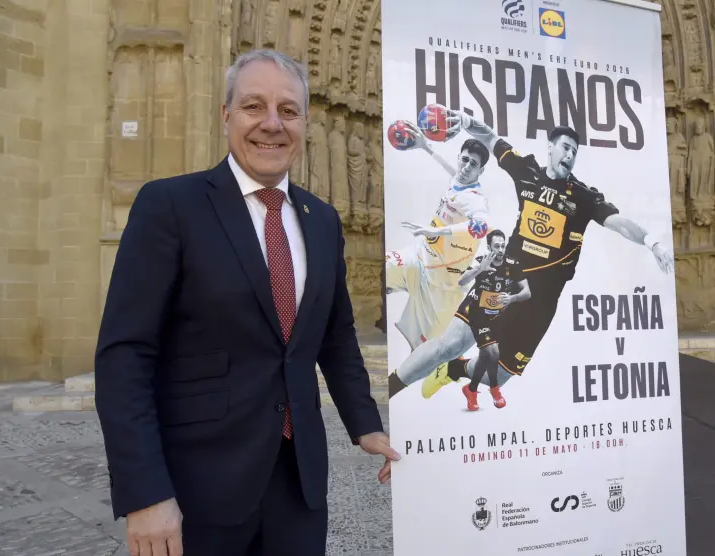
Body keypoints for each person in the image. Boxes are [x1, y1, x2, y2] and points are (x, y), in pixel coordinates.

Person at [94, 50, 398, 556]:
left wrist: (364, 423)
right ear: (226, 115)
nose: (272, 125)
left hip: (298, 486)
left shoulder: (321, 219)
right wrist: (145, 493)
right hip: (200, 489)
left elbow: (336, 334)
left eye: (289, 110)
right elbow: (125, 355)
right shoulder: (170, 205)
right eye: (254, 106)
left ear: (306, 121)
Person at [413, 110, 675, 397]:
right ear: (550, 147)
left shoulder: (583, 196)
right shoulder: (527, 170)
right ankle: (428, 367)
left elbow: (620, 224)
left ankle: (453, 370)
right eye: (565, 147)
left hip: (541, 303)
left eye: (575, 151)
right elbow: (490, 137)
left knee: (497, 377)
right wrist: (464, 121)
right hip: (506, 279)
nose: (570, 155)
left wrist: (652, 242)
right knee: (451, 344)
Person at [387, 229, 529, 410]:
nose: (500, 249)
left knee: (501, 374)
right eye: (497, 246)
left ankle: (455, 368)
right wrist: (479, 269)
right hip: (485, 303)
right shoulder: (490, 260)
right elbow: (463, 280)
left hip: (532, 301)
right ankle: (390, 387)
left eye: (502, 246)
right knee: (450, 347)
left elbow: (527, 292)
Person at [384, 121, 492, 351]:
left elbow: (482, 225)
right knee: (384, 269)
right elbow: (454, 174)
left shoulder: (475, 199)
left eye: (473, 164)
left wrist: (438, 231)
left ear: (480, 171)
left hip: (441, 284)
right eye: (464, 159)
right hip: (420, 258)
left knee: (422, 353)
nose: (466, 166)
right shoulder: (460, 181)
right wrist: (425, 147)